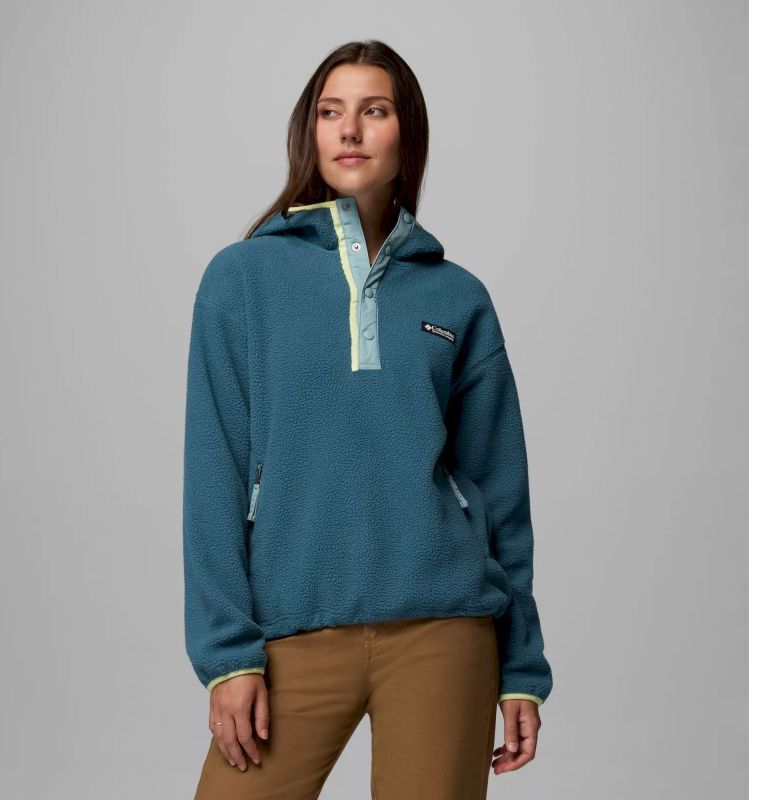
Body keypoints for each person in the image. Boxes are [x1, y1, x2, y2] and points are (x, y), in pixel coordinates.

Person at [183, 39, 553, 800]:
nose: (349, 130)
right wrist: (227, 656)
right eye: (331, 112)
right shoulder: (241, 279)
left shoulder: (458, 297)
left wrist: (521, 665)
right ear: (309, 132)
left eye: (374, 111)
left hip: (444, 627)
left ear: (406, 132)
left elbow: (498, 486)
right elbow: (213, 470)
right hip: (292, 625)